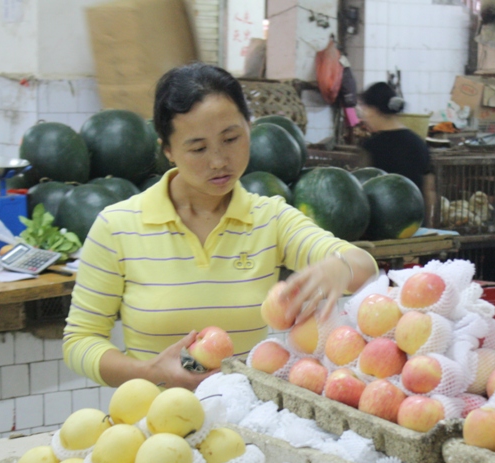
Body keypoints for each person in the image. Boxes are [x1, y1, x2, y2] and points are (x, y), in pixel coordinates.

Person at [63, 63, 378, 389]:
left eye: (231, 138)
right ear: (168, 150)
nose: (218, 161)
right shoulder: (117, 227)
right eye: (198, 148)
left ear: (249, 127)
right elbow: (80, 341)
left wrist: (339, 267)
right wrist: (151, 372)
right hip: (154, 422)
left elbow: (363, 266)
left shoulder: (270, 218)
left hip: (245, 423)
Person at [358, 82, 432, 219]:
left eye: (364, 109)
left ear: (374, 110)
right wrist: (427, 226)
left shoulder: (371, 147)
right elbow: (429, 191)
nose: (363, 116)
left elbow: (360, 193)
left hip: (382, 227)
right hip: (415, 224)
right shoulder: (419, 143)